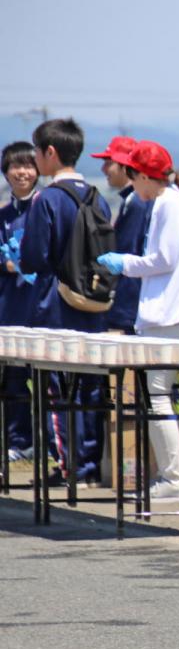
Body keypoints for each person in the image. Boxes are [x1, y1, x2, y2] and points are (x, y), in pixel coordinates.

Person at [96, 140, 179, 502]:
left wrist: (125, 264)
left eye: (133, 177)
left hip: (171, 314)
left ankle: (172, 480)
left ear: (143, 176)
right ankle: (170, 477)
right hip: (167, 313)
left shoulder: (168, 204)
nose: (132, 185)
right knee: (157, 396)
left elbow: (164, 259)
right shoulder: (168, 201)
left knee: (158, 397)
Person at [19, 118, 111, 487]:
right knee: (90, 387)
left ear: (51, 152)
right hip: (93, 304)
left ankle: (70, 466)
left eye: (37, 152)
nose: (35, 159)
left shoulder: (48, 200)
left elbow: (33, 257)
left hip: (54, 305)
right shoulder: (97, 197)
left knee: (56, 390)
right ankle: (89, 465)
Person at [0, 141, 39, 461]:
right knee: (13, 379)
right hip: (10, 306)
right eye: (15, 166)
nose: (22, 172)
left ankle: (52, 442)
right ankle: (20, 441)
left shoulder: (45, 207)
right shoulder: (4, 215)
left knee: (49, 380)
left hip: (41, 305)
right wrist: (7, 264)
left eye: (28, 165)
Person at [91, 136, 154, 335]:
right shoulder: (132, 200)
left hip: (131, 304)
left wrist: (122, 310)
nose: (103, 169)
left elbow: (130, 253)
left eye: (108, 162)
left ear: (125, 165)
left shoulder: (137, 203)